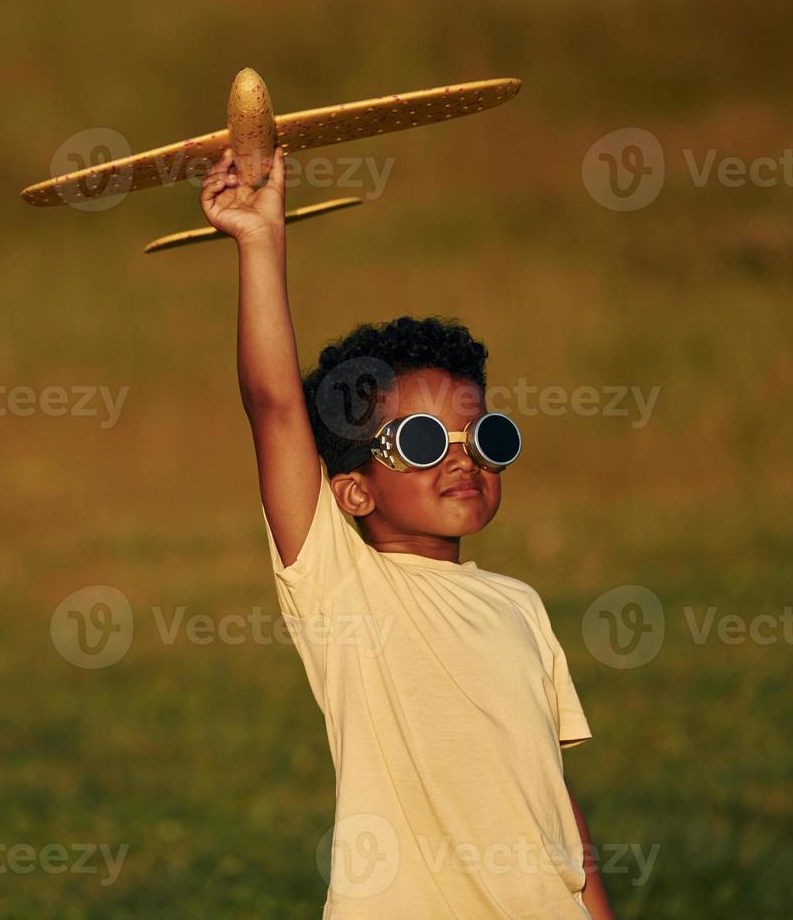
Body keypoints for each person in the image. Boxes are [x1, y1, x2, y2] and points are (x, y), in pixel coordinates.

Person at [200, 146, 614, 919]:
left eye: (483, 438)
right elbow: (276, 407)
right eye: (423, 444)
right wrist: (260, 243)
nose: (463, 460)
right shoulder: (340, 587)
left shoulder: (521, 607)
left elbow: (554, 802)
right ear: (353, 489)